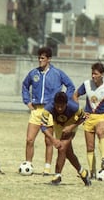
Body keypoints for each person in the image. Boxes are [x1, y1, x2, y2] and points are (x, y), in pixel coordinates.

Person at [22, 47, 75, 175]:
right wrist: (27, 101)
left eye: (43, 58)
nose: (40, 60)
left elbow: (71, 86)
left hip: (50, 110)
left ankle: (47, 167)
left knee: (48, 140)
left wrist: (63, 100)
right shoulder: (33, 73)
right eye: (39, 58)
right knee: (29, 139)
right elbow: (24, 85)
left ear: (49, 59)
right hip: (36, 109)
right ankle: (28, 165)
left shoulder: (57, 73)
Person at [72, 62, 104, 179]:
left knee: (101, 132)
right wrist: (79, 110)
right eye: (92, 74)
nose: (93, 76)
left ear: (102, 74)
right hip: (88, 117)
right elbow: (75, 95)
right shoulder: (86, 84)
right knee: (90, 147)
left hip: (101, 117)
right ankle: (92, 172)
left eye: (95, 74)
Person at [41, 92, 91, 186]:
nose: (59, 109)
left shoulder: (74, 107)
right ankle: (83, 172)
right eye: (57, 106)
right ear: (54, 103)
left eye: (62, 106)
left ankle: (57, 176)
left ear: (66, 104)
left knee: (62, 148)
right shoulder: (48, 108)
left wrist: (71, 127)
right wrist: (53, 140)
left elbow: (84, 117)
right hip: (59, 126)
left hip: (71, 124)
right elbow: (43, 127)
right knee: (68, 153)